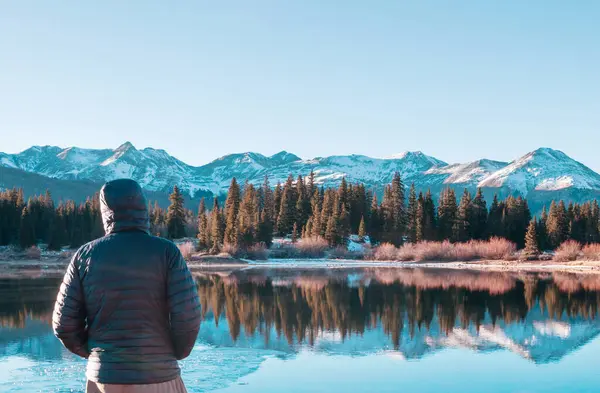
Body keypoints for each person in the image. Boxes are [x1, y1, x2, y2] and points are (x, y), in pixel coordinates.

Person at [52, 179, 201, 393]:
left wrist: (98, 354)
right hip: (158, 374)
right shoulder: (166, 252)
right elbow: (188, 315)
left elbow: (63, 324)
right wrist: (174, 353)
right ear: (142, 207)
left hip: (103, 378)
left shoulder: (85, 255)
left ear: (105, 210)